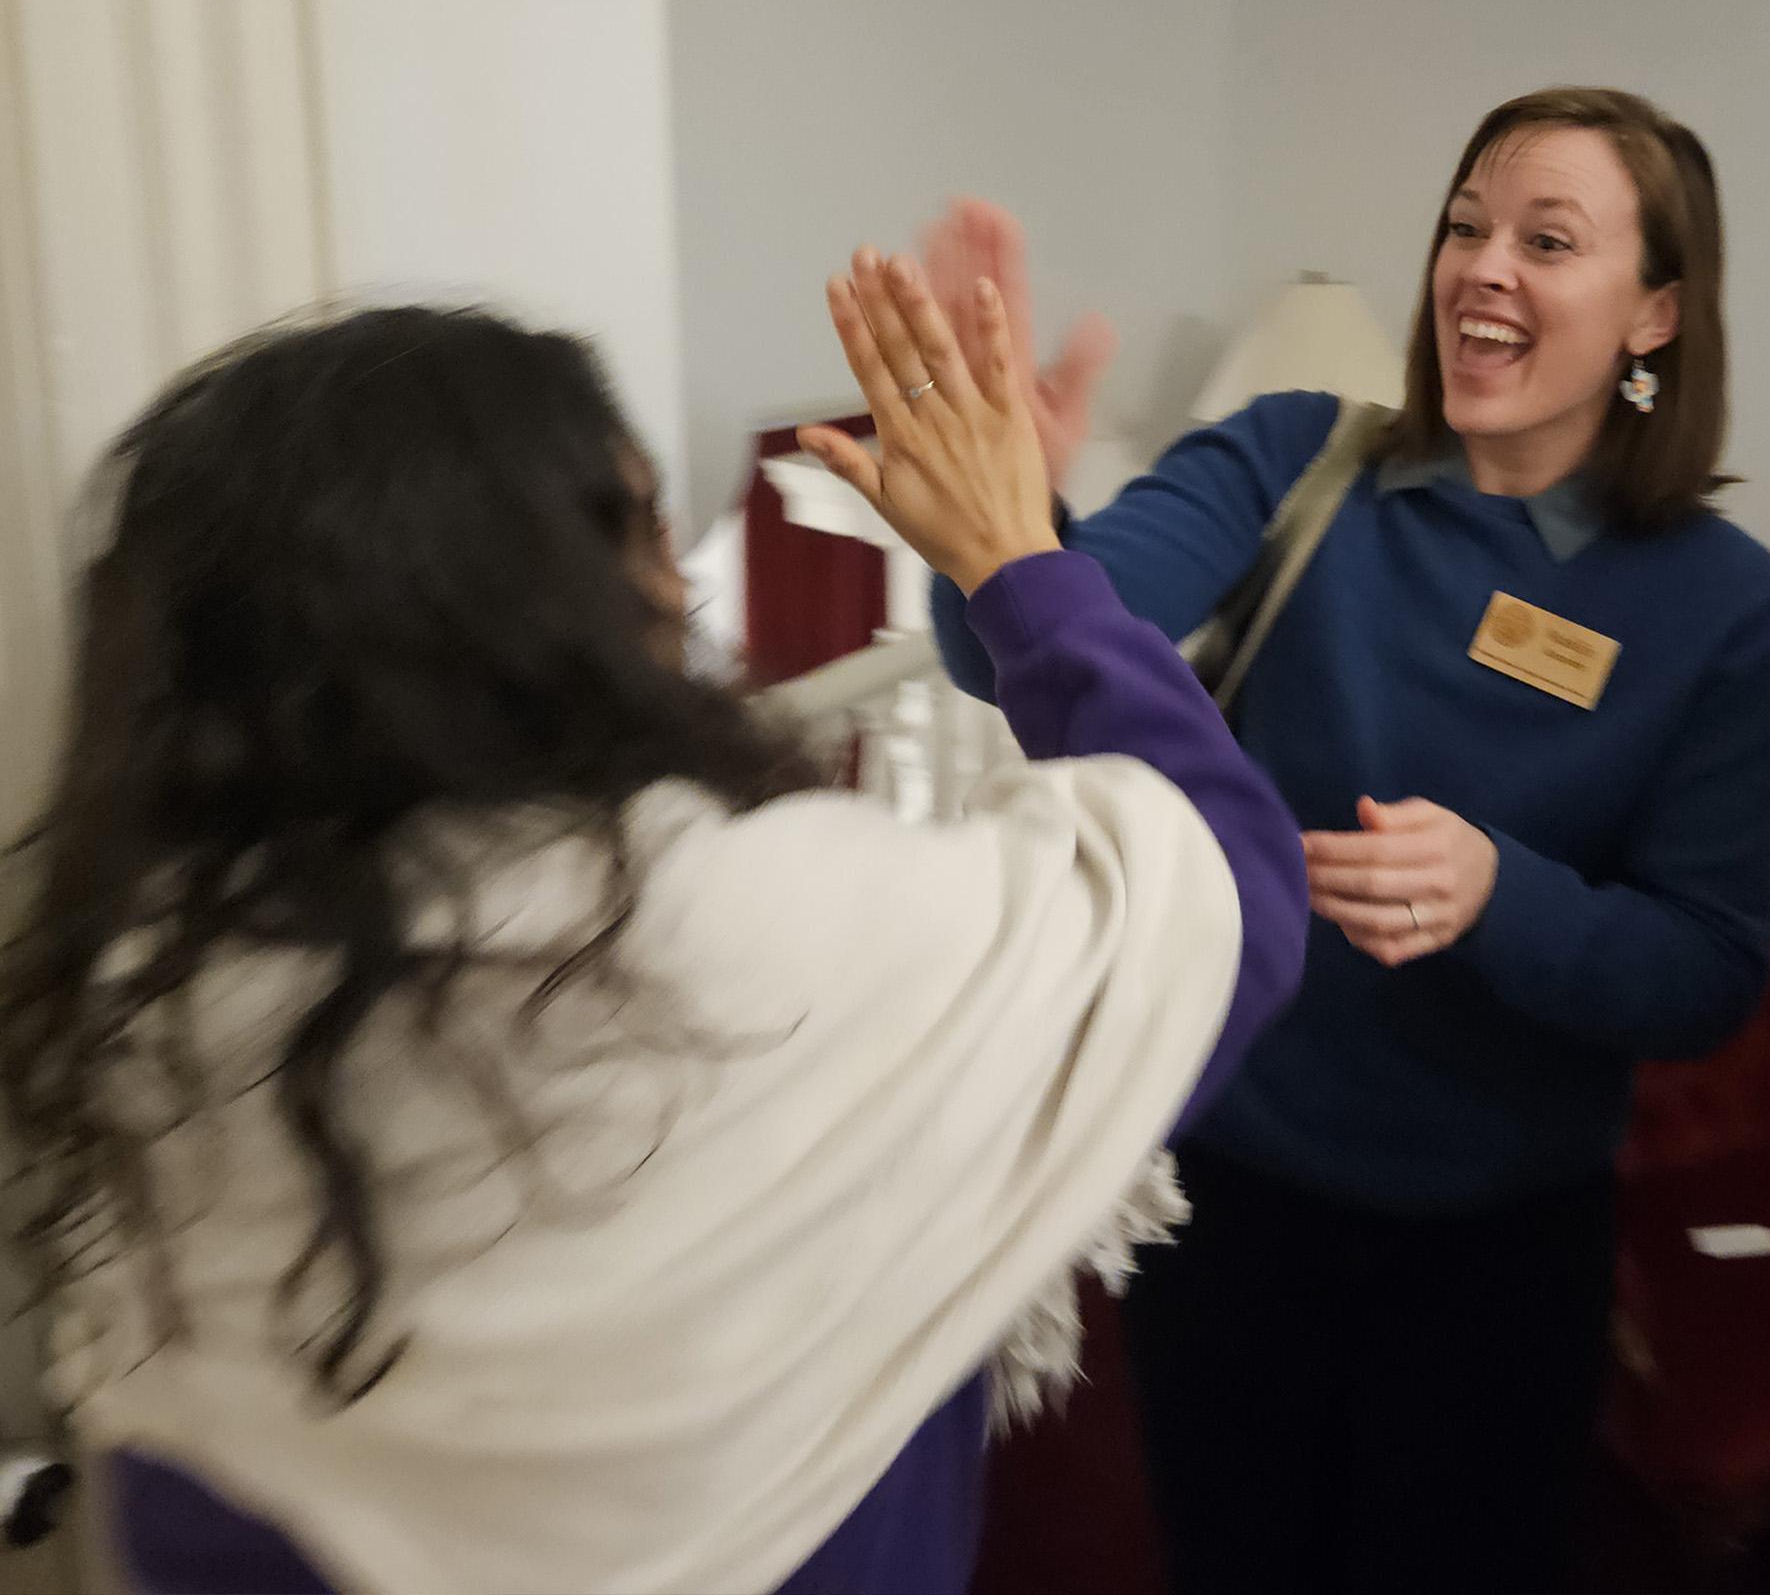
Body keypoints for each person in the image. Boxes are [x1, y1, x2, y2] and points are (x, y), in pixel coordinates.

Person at [0, 272, 1307, 1594]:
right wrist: (1020, 562)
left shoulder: (158, 999)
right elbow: (1220, 881)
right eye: (639, 531)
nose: (679, 587)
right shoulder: (764, 935)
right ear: (553, 599)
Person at [925, 87, 1770, 1593]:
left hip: (1500, 1248)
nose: (1481, 266)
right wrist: (1009, 518)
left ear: (1654, 314)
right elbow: (1028, 648)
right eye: (1465, 226)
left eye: (1547, 238)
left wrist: (1497, 896)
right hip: (1231, 1195)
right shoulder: (1298, 460)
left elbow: (1709, 973)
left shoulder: (1729, 610)